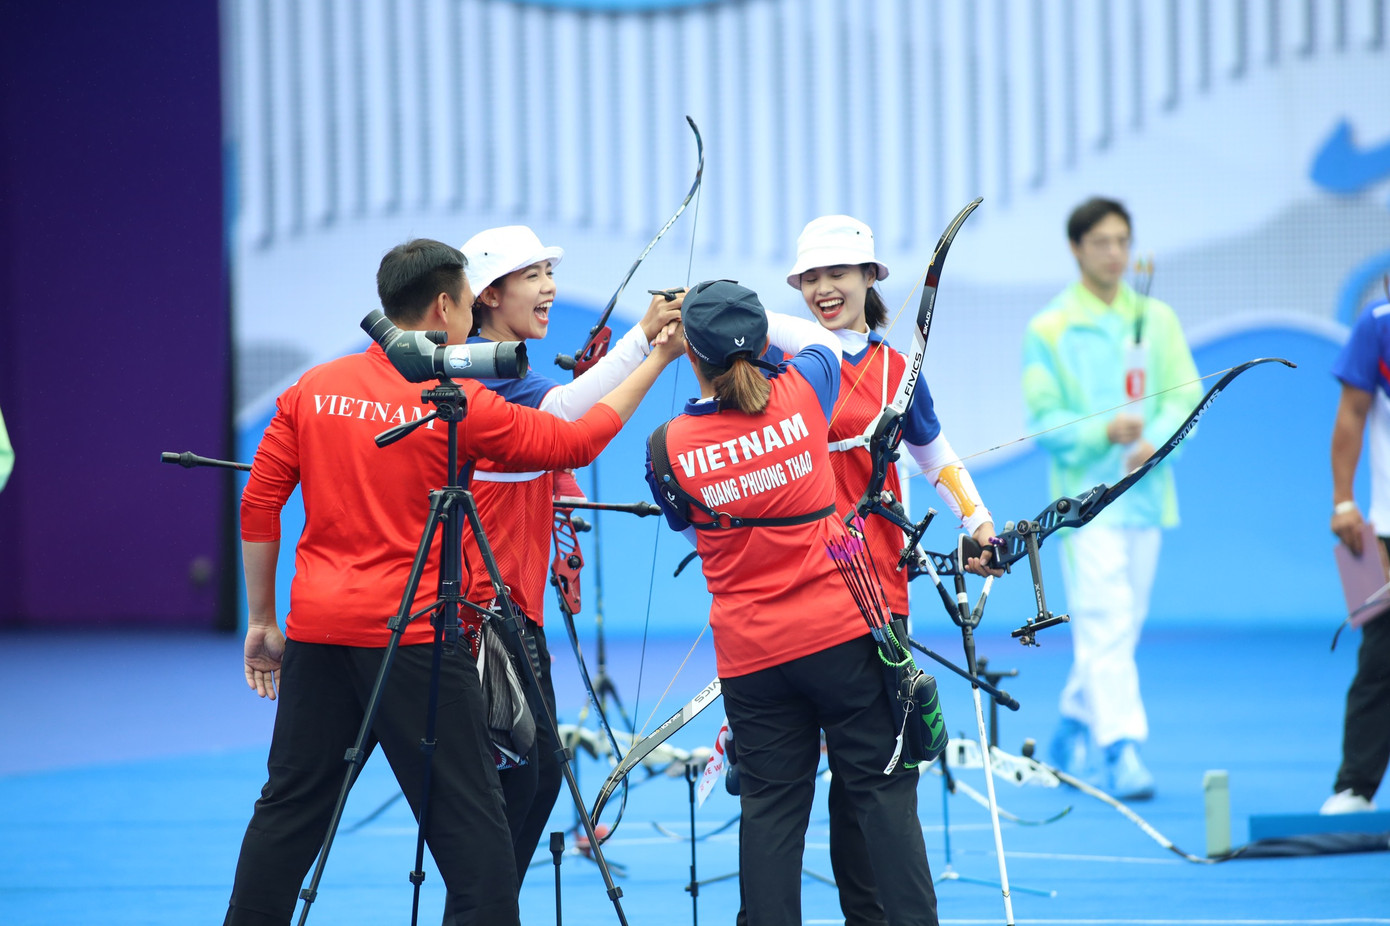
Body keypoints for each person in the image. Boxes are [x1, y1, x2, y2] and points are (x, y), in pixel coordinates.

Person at [226, 238, 686, 925]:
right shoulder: (457, 401)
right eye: (470, 305)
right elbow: (575, 443)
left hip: (318, 631)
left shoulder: (311, 389)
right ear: (445, 307)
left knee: (289, 811)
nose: (472, 318)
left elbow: (260, 504)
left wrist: (263, 622)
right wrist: (655, 359)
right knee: (479, 848)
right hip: (411, 640)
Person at [646, 280, 940, 926]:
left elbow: (683, 520)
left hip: (752, 657)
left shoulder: (667, 446)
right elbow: (818, 341)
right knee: (883, 793)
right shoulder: (803, 393)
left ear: (692, 353)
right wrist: (740, 317)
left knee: (771, 812)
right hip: (842, 634)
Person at [760, 215, 1000, 926]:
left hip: (877, 587)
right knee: (796, 779)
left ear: (870, 279)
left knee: (871, 778)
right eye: (811, 278)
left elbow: (933, 453)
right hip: (799, 581)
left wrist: (977, 521)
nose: (824, 289)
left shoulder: (898, 370)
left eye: (839, 273)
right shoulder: (781, 362)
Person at [455, 224, 684, 882]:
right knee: (518, 785)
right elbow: (565, 420)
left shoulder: (507, 372)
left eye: (550, 274)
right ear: (492, 294)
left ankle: (490, 910)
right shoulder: (485, 378)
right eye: (534, 277)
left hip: (513, 610)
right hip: (483, 618)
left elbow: (561, 415)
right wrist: (648, 346)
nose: (550, 287)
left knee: (537, 782)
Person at [1022, 197, 1200, 801]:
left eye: (1123, 240)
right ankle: (1120, 747)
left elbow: (1186, 399)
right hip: (1085, 506)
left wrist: (1154, 439)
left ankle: (1075, 717)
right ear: (1077, 248)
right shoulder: (1049, 328)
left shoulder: (1158, 320)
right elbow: (1043, 419)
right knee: (1105, 621)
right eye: (1101, 241)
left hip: (1147, 499)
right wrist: (1102, 429)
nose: (1115, 252)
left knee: (1122, 626)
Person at [1324, 291, 1390, 814]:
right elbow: (1351, 413)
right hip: (1385, 528)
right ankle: (1355, 789)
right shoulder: (1378, 324)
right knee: (1381, 658)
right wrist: (1344, 501)